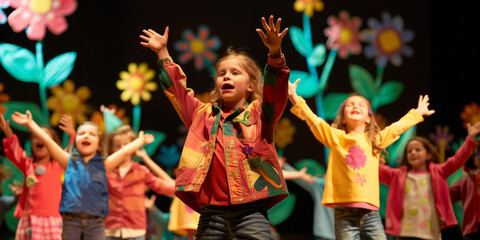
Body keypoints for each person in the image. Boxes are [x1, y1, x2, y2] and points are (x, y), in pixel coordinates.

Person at [140, 15, 290, 239]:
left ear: (251, 85)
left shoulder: (260, 113)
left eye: (235, 73)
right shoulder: (202, 115)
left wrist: (275, 53)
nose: (226, 77)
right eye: (222, 74)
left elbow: (275, 90)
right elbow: (178, 92)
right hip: (211, 214)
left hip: (250, 211)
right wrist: (163, 53)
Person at [288, 79, 435, 239]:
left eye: (361, 105)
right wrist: (296, 99)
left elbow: (397, 128)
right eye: (350, 104)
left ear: (368, 118)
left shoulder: (375, 140)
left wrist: (418, 113)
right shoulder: (335, 137)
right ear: (343, 118)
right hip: (344, 213)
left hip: (370, 212)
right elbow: (314, 121)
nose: (355, 106)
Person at [10, 110, 154, 240]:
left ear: (98, 144)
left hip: (96, 223)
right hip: (71, 221)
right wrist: (30, 124)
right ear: (76, 141)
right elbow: (48, 141)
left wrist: (140, 141)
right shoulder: (68, 161)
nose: (86, 136)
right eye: (82, 133)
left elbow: (123, 152)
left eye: (92, 134)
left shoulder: (103, 165)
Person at [379, 122, 480, 240]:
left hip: (430, 234)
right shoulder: (398, 175)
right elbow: (376, 169)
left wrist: (470, 139)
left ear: (428, 155)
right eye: (409, 151)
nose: (413, 153)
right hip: (404, 234)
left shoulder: (438, 172)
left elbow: (457, 160)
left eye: (418, 150)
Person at [0, 113, 75, 240]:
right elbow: (15, 150)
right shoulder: (27, 164)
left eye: (44, 136)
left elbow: (73, 152)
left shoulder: (57, 164)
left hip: (52, 219)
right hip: (30, 219)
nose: (39, 139)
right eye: (35, 136)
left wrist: (72, 134)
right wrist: (7, 132)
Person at [104, 125, 175, 240]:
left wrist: (184, 189)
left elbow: (161, 186)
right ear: (111, 149)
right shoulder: (106, 171)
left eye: (126, 145)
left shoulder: (141, 171)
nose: (123, 149)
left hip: (135, 231)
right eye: (117, 146)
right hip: (109, 230)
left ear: (134, 146)